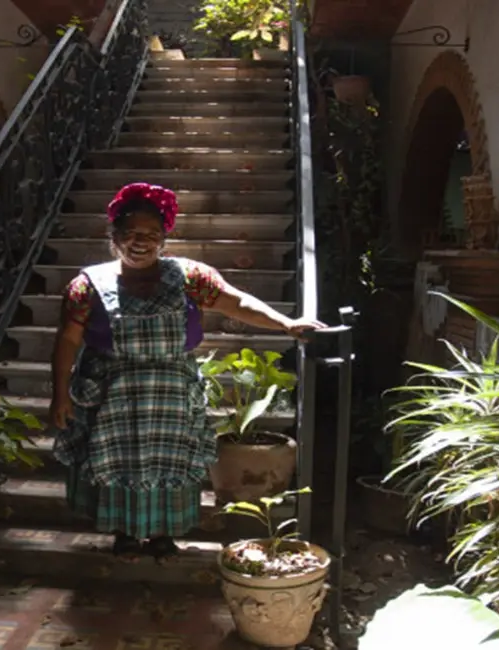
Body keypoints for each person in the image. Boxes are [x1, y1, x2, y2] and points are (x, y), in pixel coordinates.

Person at [49, 182, 325, 563]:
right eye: (130, 234)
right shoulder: (86, 286)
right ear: (113, 238)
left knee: (172, 463)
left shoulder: (191, 277)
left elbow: (237, 302)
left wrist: (287, 324)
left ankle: (164, 535)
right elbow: (67, 339)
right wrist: (60, 394)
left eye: (151, 234)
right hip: (111, 392)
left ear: (165, 239)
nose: (140, 242)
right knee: (118, 462)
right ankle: (125, 534)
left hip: (171, 392)